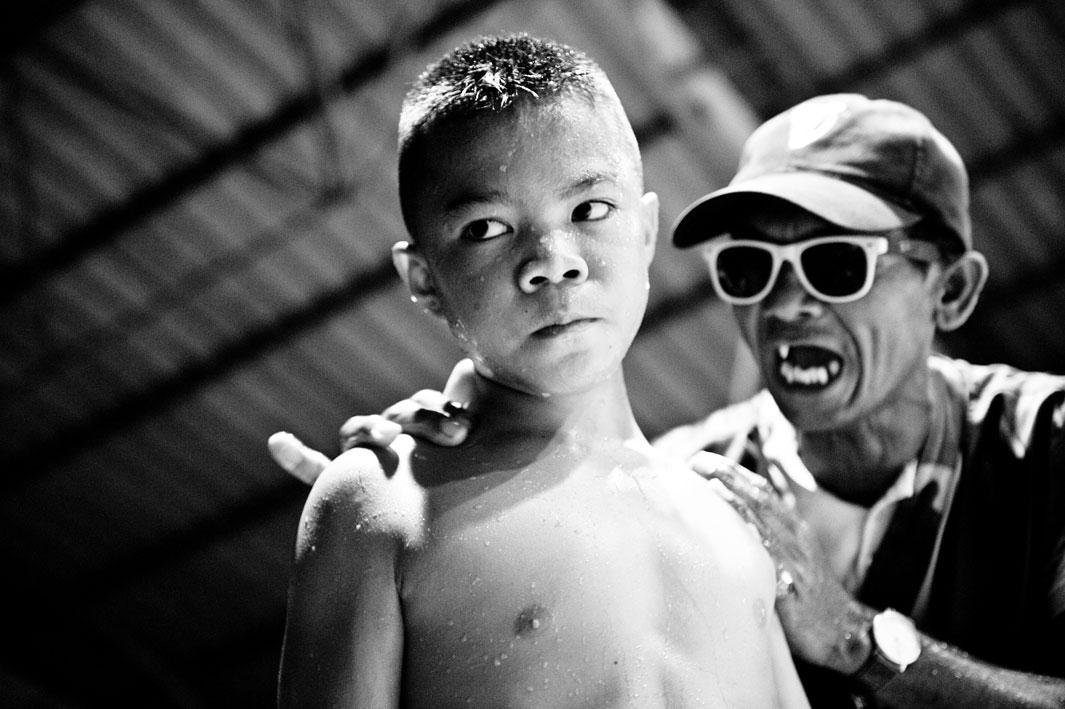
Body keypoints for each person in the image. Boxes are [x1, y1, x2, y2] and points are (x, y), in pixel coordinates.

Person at [273, 92, 1065, 706]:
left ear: (952, 290)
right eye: (750, 268)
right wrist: (410, 500)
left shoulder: (1047, 442)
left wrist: (858, 639)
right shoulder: (696, 489)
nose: (787, 306)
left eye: (835, 264)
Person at [275, 34, 809, 708]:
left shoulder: (730, 525)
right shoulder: (382, 501)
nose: (552, 259)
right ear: (423, 277)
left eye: (589, 210)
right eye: (487, 229)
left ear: (644, 232)